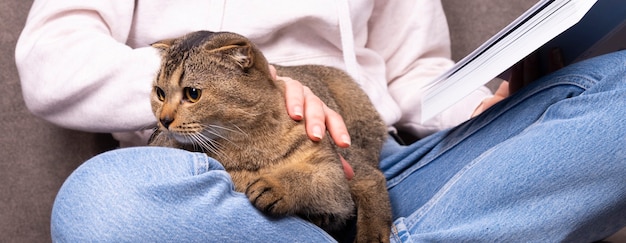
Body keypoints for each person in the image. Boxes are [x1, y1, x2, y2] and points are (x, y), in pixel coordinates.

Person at [15, 1, 625, 242]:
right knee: (103, 204)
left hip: (376, 167)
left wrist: (476, 106)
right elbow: (51, 59)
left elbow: (413, 71)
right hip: (216, 186)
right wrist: (256, 85)